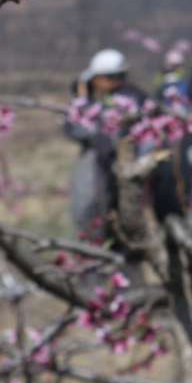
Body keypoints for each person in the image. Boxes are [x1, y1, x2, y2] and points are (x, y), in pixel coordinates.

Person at [65, 48, 148, 243]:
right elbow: (72, 127)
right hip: (96, 170)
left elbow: (78, 128)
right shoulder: (101, 100)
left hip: (114, 170)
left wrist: (83, 102)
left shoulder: (127, 100)